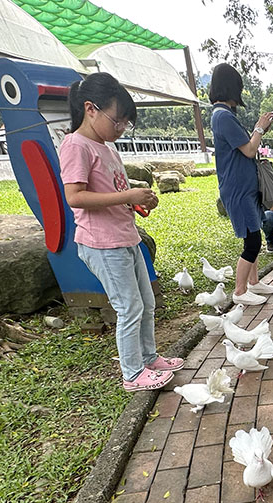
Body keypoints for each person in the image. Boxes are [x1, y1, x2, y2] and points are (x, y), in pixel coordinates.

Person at [59, 73, 183, 392]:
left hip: (127, 237)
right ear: (91, 109)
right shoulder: (76, 145)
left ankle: (149, 358)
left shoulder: (107, 148)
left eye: (126, 123)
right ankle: (132, 373)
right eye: (118, 120)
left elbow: (113, 191)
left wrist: (137, 202)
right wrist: (128, 196)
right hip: (103, 244)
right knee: (129, 307)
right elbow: (75, 197)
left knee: (146, 302)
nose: (121, 128)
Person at [209, 62, 273, 306]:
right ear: (231, 87)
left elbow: (246, 146)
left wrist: (260, 130)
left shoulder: (224, 115)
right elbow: (249, 149)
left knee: (254, 230)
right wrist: (259, 127)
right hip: (237, 188)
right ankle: (239, 291)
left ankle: (254, 282)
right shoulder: (223, 116)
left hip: (244, 186)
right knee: (252, 240)